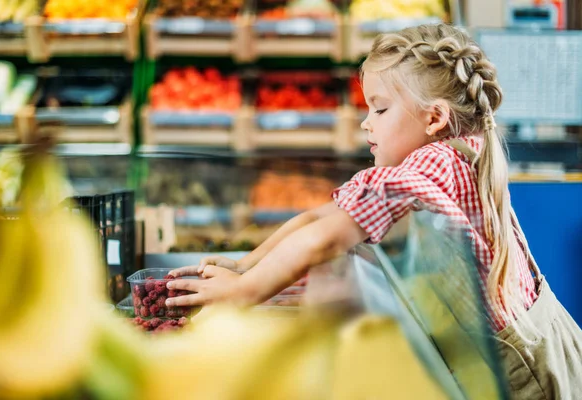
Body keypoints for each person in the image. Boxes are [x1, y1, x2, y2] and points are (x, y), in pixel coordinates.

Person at [166, 24, 582, 398]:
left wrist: (244, 292)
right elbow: (323, 218)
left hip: (523, 378)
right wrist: (246, 265)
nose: (367, 123)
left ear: (434, 117)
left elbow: (325, 237)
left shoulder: (431, 163)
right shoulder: (463, 151)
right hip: (546, 349)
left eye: (380, 109)